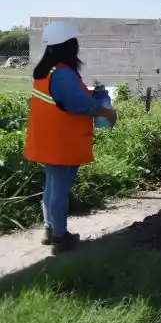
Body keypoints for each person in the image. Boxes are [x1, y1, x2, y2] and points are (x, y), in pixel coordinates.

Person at [23, 21, 117, 253]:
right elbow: (77, 104)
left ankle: (50, 230)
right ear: (69, 46)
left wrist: (92, 95)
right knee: (59, 191)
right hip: (62, 142)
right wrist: (106, 111)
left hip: (48, 139)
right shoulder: (63, 73)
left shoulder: (47, 71)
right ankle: (60, 237)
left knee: (51, 188)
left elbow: (66, 99)